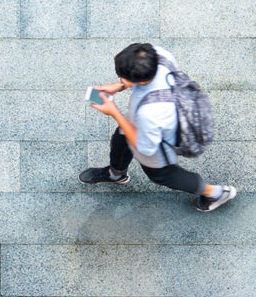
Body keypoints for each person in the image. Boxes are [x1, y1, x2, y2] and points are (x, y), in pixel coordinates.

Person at [79, 43, 236, 212]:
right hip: (141, 123)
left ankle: (216, 193)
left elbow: (145, 147)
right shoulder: (159, 55)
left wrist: (115, 112)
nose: (120, 79)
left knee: (163, 175)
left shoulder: (152, 113)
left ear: (141, 81)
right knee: (120, 142)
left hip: (156, 145)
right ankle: (115, 174)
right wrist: (120, 85)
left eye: (123, 77)